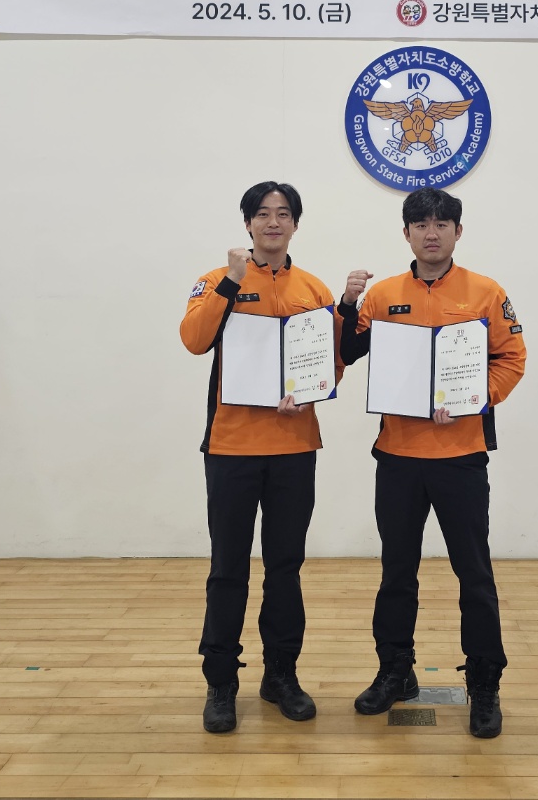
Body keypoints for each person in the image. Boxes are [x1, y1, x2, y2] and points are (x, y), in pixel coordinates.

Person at [337, 187, 526, 738]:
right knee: (397, 571)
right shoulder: (382, 296)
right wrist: (347, 304)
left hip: (460, 457)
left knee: (474, 573)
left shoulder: (486, 292)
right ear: (406, 234)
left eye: (443, 223)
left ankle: (485, 683)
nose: (432, 232)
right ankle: (395, 671)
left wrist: (473, 398)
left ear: (458, 232)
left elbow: (511, 359)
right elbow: (346, 353)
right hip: (398, 457)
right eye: (421, 224)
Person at [179, 181, 341, 734]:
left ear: (295, 224)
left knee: (285, 568)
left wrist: (313, 389)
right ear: (248, 223)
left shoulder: (313, 289)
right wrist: (230, 281)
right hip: (231, 449)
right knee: (228, 569)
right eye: (263, 213)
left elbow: (330, 361)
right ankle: (221, 682)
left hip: (294, 449)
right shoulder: (216, 279)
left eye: (284, 213)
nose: (274, 222)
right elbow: (194, 339)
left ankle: (281, 676)